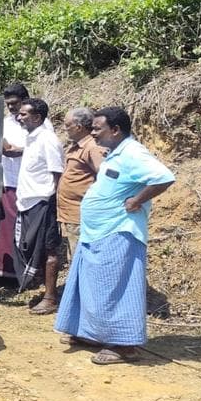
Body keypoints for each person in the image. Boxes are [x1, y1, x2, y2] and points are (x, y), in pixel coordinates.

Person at [55, 107, 174, 365]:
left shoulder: (133, 153)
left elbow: (164, 177)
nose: (94, 133)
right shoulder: (115, 153)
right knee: (96, 286)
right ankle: (93, 334)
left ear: (116, 130)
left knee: (119, 288)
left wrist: (137, 200)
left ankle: (125, 345)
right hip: (98, 232)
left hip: (119, 231)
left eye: (98, 129)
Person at [14, 98, 65, 314]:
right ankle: (44, 290)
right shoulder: (31, 139)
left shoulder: (48, 140)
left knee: (48, 248)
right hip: (27, 202)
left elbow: (57, 174)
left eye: (24, 114)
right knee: (31, 247)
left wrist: (51, 202)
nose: (19, 117)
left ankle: (50, 297)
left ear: (37, 117)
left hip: (43, 202)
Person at [0, 82, 30, 278]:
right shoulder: (4, 122)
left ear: (24, 101)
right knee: (3, 230)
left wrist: (18, 151)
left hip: (26, 182)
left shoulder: (37, 122)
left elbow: (42, 149)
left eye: (15, 103)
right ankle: (2, 273)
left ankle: (22, 273)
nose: (12, 107)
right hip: (6, 181)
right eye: (8, 104)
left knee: (21, 231)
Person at [56, 107, 104, 260]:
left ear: (79, 127)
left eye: (67, 125)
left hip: (81, 215)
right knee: (74, 256)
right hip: (71, 215)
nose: (65, 129)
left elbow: (105, 176)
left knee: (81, 258)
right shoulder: (77, 146)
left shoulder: (92, 147)